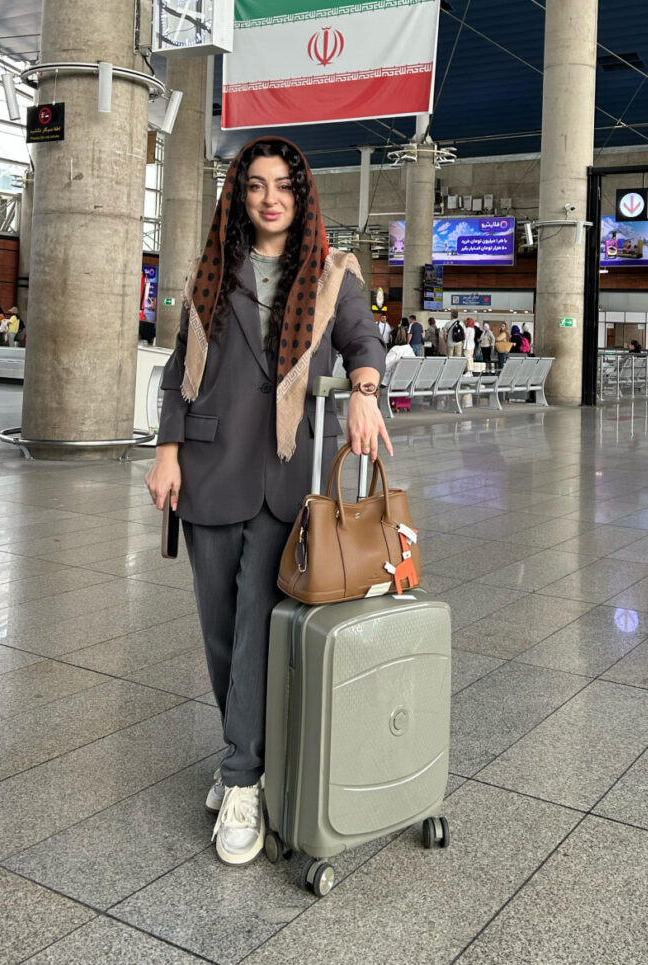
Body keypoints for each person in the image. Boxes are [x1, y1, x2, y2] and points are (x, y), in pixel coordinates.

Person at [144, 136, 389, 868]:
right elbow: (179, 373)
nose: (270, 197)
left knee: (256, 621)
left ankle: (244, 778)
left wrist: (366, 392)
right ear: (240, 196)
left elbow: (364, 343)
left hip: (287, 475)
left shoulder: (335, 274)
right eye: (256, 185)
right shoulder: (213, 274)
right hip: (210, 466)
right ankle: (243, 751)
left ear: (301, 196)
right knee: (221, 631)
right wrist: (165, 450)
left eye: (283, 185)